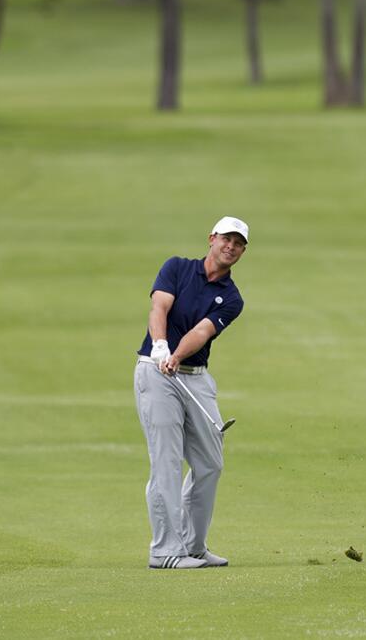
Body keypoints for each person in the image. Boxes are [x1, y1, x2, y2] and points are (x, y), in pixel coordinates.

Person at [133, 216, 249, 569]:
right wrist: (160, 346)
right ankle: (165, 551)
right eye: (226, 239)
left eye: (239, 243)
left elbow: (202, 331)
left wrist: (178, 354)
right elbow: (160, 307)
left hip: (194, 375)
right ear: (212, 238)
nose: (231, 247)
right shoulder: (177, 268)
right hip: (155, 371)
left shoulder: (231, 298)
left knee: (210, 463)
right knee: (166, 461)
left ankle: (193, 545)